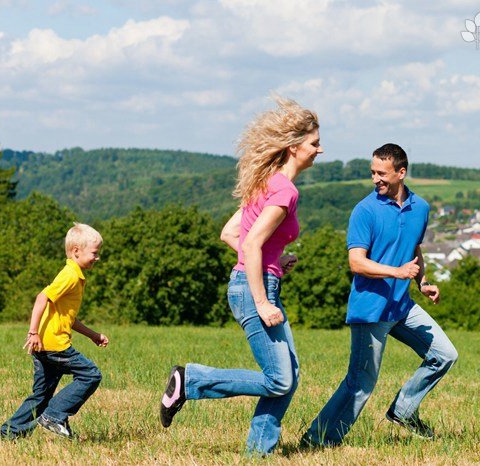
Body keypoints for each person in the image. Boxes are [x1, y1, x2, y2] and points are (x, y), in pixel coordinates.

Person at [159, 96, 322, 456]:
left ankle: (257, 454)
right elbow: (248, 245)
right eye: (314, 144)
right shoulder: (284, 190)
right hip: (254, 291)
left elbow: (230, 233)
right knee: (279, 379)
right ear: (295, 147)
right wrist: (262, 299)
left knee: (287, 378)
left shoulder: (266, 183)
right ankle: (190, 380)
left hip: (257, 282)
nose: (319, 150)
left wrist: (277, 260)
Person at [303, 143, 458, 446]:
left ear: (402, 172)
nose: (376, 179)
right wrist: (396, 272)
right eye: (373, 172)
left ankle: (403, 410)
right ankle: (318, 440)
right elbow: (356, 262)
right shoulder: (365, 210)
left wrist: (422, 282)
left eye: (382, 173)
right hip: (371, 309)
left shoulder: (421, 208)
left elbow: (413, 248)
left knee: (444, 355)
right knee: (360, 383)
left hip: (402, 306)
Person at [0, 223, 109, 441]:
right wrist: (32, 332)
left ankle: (7, 435)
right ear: (76, 251)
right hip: (54, 344)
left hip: (44, 345)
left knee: (41, 396)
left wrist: (93, 335)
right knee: (91, 374)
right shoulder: (70, 276)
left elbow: (69, 319)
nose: (97, 258)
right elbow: (42, 297)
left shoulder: (74, 275)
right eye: (94, 253)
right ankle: (54, 416)